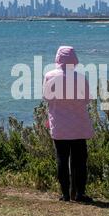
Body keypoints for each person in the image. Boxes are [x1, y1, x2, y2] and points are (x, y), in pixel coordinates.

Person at [43, 46, 94, 203]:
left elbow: (46, 98)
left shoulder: (49, 76)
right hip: (79, 125)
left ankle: (65, 194)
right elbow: (87, 100)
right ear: (74, 59)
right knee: (80, 160)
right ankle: (79, 194)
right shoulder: (80, 77)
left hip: (59, 125)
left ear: (58, 59)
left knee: (62, 159)